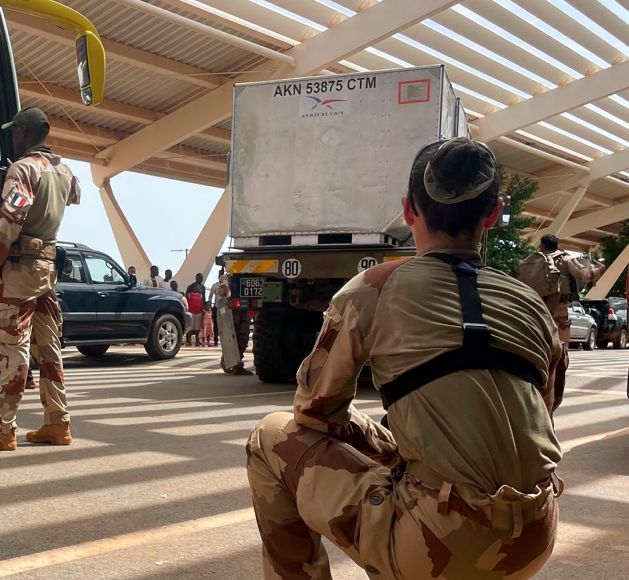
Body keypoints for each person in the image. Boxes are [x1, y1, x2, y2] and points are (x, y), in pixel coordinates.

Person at [245, 138, 563, 579]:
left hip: (436, 542)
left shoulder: (373, 288)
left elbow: (315, 412)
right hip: (534, 533)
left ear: (409, 209)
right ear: (493, 213)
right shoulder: (531, 304)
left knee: (270, 437)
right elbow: (540, 416)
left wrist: (376, 442)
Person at [0, 108, 80, 451]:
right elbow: (72, 199)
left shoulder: (24, 169)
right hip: (47, 269)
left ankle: (0, 428)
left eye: (15, 132)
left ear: (26, 133)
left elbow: (10, 219)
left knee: (14, 350)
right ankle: (57, 424)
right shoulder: (65, 171)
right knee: (49, 349)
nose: (12, 138)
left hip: (19, 270)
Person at [519, 234, 605, 411]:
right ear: (557, 246)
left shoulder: (529, 260)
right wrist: (600, 270)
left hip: (533, 315)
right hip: (558, 317)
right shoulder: (565, 259)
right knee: (559, 358)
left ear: (542, 246)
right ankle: (552, 400)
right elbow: (584, 276)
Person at [216, 274, 250, 375]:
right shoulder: (230, 276)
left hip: (244, 308)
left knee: (243, 337)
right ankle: (228, 361)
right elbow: (223, 283)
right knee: (233, 335)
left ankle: (237, 364)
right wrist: (227, 290)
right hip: (234, 310)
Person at [186, 273, 207, 346]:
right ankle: (188, 340)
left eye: (201, 278)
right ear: (196, 278)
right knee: (190, 327)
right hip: (191, 311)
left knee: (197, 327)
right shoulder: (190, 286)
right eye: (199, 278)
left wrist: (203, 309)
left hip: (199, 310)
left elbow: (203, 299)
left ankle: (197, 341)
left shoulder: (203, 287)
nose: (200, 279)